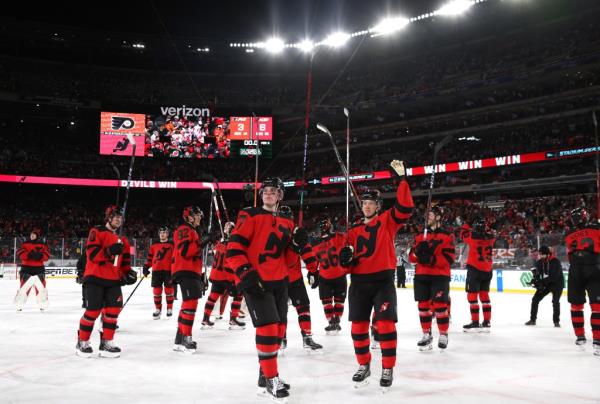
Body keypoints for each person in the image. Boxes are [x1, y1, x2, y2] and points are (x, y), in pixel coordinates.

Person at [226, 177, 305, 400]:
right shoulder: (249, 215)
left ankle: (265, 374)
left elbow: (288, 258)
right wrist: (246, 275)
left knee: (279, 330)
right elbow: (234, 249)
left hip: (280, 281)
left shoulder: (287, 222)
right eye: (266, 191)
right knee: (269, 328)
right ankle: (271, 379)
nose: (268, 194)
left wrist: (297, 245)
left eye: (273, 191)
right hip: (255, 280)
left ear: (280, 195)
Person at [338, 160, 414, 389]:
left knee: (386, 325)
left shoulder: (388, 221)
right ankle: (364, 364)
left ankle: (388, 368)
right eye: (365, 203)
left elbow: (405, 208)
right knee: (357, 329)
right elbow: (345, 266)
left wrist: (402, 181)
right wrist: (345, 261)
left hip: (382, 282)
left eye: (372, 203)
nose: (367, 206)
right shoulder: (352, 232)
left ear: (379, 206)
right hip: (359, 284)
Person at [76, 206, 137, 358]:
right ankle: (82, 342)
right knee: (93, 311)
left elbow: (124, 263)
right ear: (108, 218)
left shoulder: (124, 240)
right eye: (115, 216)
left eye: (120, 217)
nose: (118, 219)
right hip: (95, 277)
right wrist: (109, 251)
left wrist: (128, 273)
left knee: (113, 312)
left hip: (113, 280)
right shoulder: (96, 231)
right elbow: (92, 254)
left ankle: (106, 342)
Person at [409, 205, 456, 351]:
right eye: (426, 215)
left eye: (430, 215)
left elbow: (449, 258)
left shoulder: (448, 236)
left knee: (440, 306)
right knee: (423, 307)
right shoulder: (419, 236)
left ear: (438, 217)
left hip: (439, 276)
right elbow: (411, 258)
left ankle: (443, 334)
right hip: (421, 275)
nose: (427, 217)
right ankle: (426, 334)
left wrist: (429, 258)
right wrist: (417, 252)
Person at [279, 205, 322, 352]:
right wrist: (313, 270)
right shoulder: (294, 231)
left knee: (284, 310)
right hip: (287, 277)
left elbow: (306, 250)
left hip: (281, 277)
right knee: (300, 307)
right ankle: (304, 337)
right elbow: (307, 251)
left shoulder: (274, 231)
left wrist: (312, 270)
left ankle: (282, 339)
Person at [172, 206, 210, 353]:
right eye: (197, 215)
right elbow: (186, 251)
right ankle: (186, 338)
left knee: (187, 304)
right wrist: (201, 242)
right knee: (190, 304)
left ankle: (180, 338)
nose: (200, 217)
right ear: (189, 217)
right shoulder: (184, 229)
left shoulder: (192, 230)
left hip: (190, 270)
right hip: (185, 269)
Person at [564, 207, 600, 355]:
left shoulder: (568, 234)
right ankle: (597, 339)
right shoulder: (596, 228)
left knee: (576, 305)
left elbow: (569, 254)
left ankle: (580, 336)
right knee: (597, 306)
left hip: (575, 269)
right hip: (594, 267)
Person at [201, 221, 246, 330]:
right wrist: (233, 280)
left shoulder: (220, 243)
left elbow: (213, 249)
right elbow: (229, 264)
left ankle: (205, 319)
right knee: (238, 294)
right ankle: (233, 320)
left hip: (216, 275)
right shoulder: (232, 244)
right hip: (226, 276)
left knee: (212, 298)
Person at [311, 215, 348, 334]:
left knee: (326, 302)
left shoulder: (315, 244)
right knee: (339, 301)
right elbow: (348, 243)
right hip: (339, 275)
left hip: (325, 277)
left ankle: (331, 322)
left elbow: (313, 263)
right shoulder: (339, 237)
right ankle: (336, 321)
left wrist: (312, 273)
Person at [461, 219, 496, 332]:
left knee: (472, 296)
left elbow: (462, 234)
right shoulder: (491, 238)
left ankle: (475, 322)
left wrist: (468, 223)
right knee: (485, 296)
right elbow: (491, 232)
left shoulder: (472, 237)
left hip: (475, 270)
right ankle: (486, 322)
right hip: (487, 270)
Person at [525, 245, 564, 327]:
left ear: (548, 254)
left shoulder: (555, 261)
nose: (541, 256)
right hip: (546, 284)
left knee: (555, 301)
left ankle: (556, 322)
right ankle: (532, 320)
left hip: (557, 284)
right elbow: (538, 275)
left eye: (543, 255)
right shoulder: (539, 262)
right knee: (535, 299)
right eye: (540, 255)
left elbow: (554, 277)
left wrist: (541, 282)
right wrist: (536, 281)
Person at [143, 226, 174, 320]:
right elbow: (150, 258)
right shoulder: (154, 245)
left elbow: (175, 259)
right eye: (161, 233)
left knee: (169, 291)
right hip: (156, 271)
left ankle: (169, 308)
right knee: (157, 292)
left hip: (168, 271)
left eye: (164, 232)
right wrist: (146, 267)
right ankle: (158, 309)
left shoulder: (172, 245)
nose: (162, 234)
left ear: (167, 234)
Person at [15, 227, 50, 311]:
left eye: (34, 235)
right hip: (26, 269)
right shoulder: (24, 244)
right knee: (24, 287)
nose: (32, 236)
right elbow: (19, 253)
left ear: (37, 236)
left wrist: (40, 256)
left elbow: (47, 255)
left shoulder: (43, 245)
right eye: (31, 234)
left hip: (39, 269)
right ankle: (19, 305)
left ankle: (42, 305)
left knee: (41, 288)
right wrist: (28, 255)